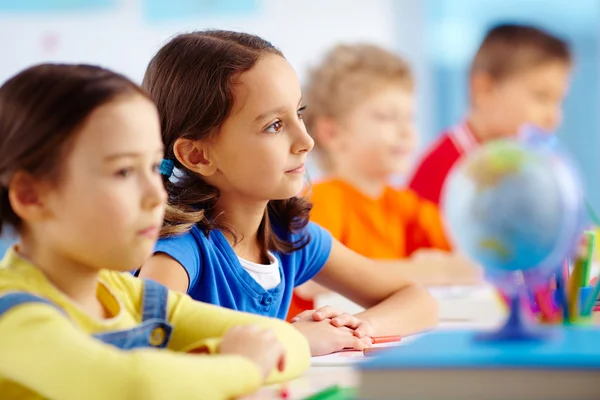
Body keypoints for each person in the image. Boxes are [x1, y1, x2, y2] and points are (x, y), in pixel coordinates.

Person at [0, 63, 310, 400]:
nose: (156, 196)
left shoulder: (127, 294)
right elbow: (136, 385)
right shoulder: (13, 317)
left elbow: (285, 341)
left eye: (153, 167)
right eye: (122, 172)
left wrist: (208, 367)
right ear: (31, 196)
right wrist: (244, 366)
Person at [138, 30, 438, 356]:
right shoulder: (179, 251)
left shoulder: (291, 237)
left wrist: (357, 326)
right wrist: (290, 339)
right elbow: (147, 345)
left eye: (298, 112)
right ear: (198, 156)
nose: (306, 140)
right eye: (274, 126)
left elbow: (419, 301)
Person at [288, 43, 483, 318]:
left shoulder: (406, 204)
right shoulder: (323, 200)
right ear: (332, 133)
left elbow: (462, 263)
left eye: (409, 118)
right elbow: (310, 280)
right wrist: (430, 271)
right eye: (387, 117)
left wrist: (441, 266)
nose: (406, 130)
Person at [408, 23, 572, 206]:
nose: (554, 117)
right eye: (541, 97)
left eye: (559, 101)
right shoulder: (439, 172)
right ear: (484, 90)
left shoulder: (526, 171)